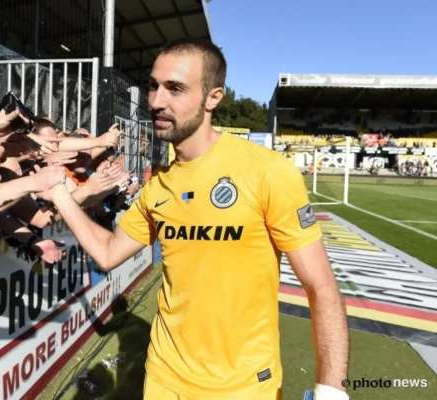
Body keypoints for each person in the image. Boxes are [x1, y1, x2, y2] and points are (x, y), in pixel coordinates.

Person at [44, 38, 350, 400]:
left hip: (243, 386)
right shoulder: (158, 186)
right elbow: (108, 253)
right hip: (162, 378)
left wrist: (332, 390)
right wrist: (60, 193)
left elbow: (322, 287)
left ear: (213, 97)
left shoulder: (267, 171)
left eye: (175, 89)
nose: (157, 101)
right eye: (153, 86)